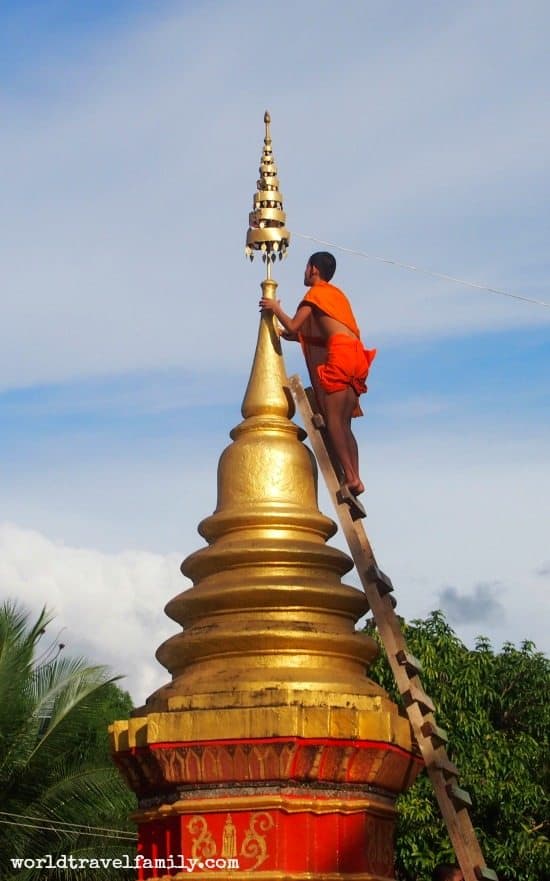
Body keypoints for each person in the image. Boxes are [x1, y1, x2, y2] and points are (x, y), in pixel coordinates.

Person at [259, 251, 376, 496]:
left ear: (313, 269)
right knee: (344, 425)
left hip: (341, 356)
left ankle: (351, 478)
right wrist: (291, 334)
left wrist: (274, 308)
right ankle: (356, 477)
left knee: (333, 422)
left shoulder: (315, 294)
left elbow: (292, 325)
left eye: (306, 267)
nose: (304, 272)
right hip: (356, 357)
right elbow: (312, 332)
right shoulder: (337, 295)